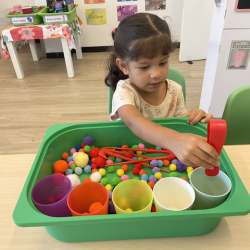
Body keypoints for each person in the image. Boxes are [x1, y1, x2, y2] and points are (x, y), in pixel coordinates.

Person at [104, 13, 219, 170]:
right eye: (144, 67)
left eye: (163, 62)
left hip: (161, 160)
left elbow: (177, 124)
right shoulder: (124, 91)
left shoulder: (174, 90)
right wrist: (175, 141)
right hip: (126, 156)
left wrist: (193, 118)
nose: (157, 74)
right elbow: (133, 122)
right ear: (124, 66)